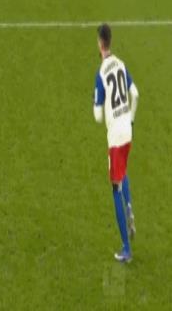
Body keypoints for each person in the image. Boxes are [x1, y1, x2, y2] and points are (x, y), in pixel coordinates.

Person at [93, 24, 139, 263]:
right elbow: (136, 94)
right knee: (124, 170)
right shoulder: (121, 64)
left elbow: (98, 117)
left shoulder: (101, 72)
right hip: (127, 131)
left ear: (99, 43)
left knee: (114, 187)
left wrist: (96, 103)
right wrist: (131, 119)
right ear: (110, 41)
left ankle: (126, 249)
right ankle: (129, 205)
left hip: (115, 138)